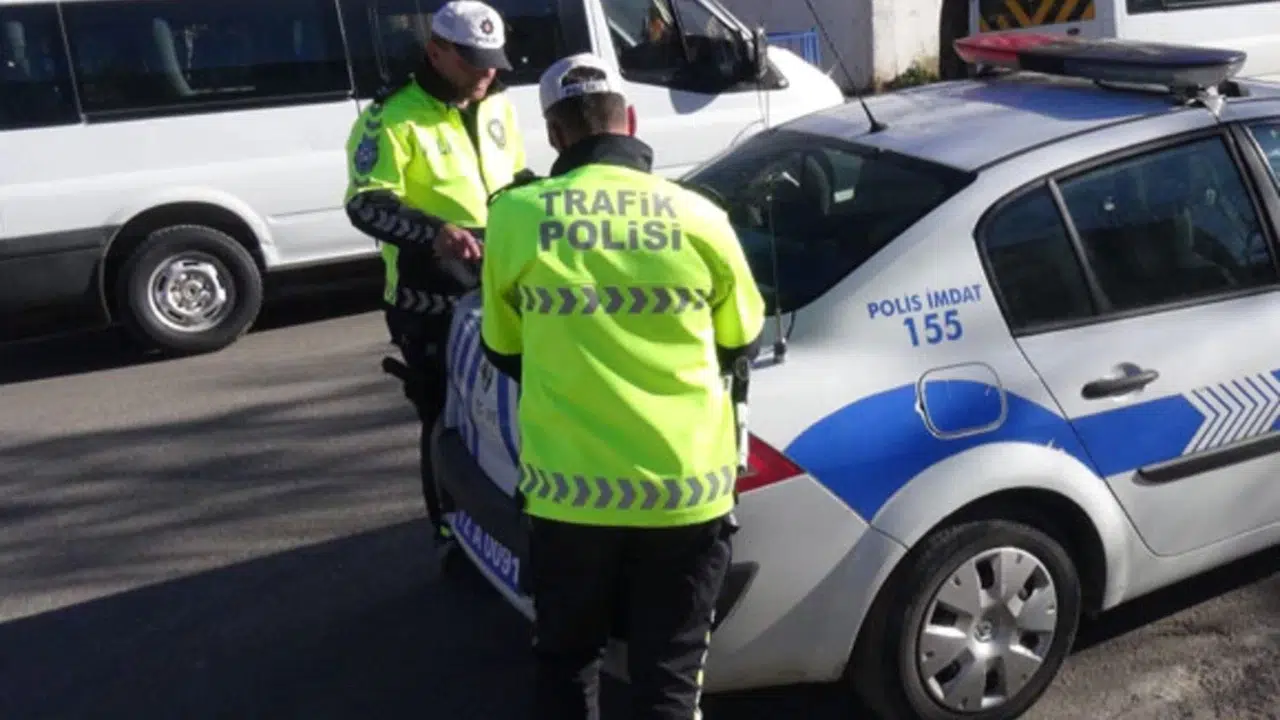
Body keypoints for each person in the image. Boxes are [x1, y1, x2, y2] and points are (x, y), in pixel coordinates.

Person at [479, 53, 766, 720]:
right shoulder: (700, 215)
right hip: (686, 495)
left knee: (566, 663)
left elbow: (504, 348)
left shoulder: (516, 217)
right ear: (630, 120)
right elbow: (741, 340)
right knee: (669, 677)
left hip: (568, 497)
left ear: (555, 134)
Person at [343, 0, 535, 555]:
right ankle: (451, 529)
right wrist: (435, 233)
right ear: (436, 51)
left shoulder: (498, 104)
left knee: (511, 412)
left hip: (500, 286)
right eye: (474, 62)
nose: (487, 73)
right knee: (443, 414)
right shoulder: (390, 117)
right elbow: (365, 204)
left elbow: (514, 177)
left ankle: (510, 517)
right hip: (429, 299)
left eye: (493, 62)